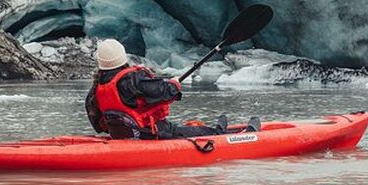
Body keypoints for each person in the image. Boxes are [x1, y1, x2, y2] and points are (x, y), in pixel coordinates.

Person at [85, 39, 255, 139]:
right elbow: (164, 91)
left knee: (183, 127)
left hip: (122, 135)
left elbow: (98, 125)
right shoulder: (132, 78)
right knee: (199, 131)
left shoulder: (97, 86)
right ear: (122, 57)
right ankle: (225, 135)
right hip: (149, 133)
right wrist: (173, 85)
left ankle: (219, 130)